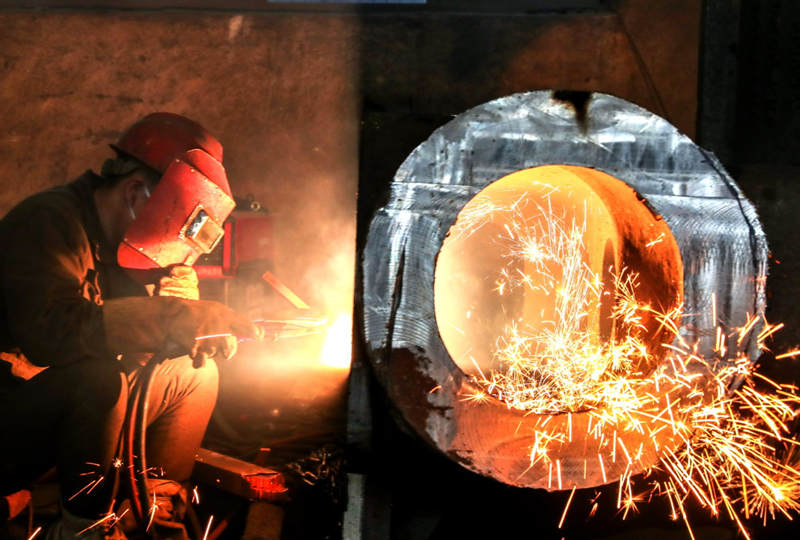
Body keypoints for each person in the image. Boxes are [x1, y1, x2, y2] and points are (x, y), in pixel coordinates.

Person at [0, 113, 261, 539]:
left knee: (192, 374)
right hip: (11, 417)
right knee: (97, 381)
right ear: (136, 192)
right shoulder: (48, 222)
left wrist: (179, 318)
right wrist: (168, 319)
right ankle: (84, 529)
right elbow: (51, 336)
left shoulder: (125, 246)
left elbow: (142, 351)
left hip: (78, 427)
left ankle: (154, 514)